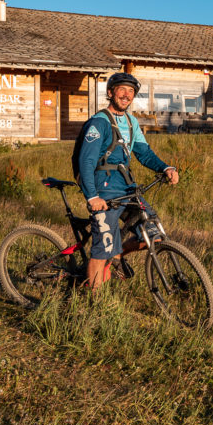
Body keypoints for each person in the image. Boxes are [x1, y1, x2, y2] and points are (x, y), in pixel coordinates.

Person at [76, 72, 179, 289]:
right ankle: (95, 306)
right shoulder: (99, 123)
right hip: (103, 190)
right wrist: (92, 196)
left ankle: (118, 255)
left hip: (127, 188)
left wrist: (165, 167)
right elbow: (87, 160)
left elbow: (144, 153)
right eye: (122, 89)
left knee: (154, 236)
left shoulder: (131, 122)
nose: (126, 95)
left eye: (131, 91)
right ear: (111, 92)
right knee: (102, 249)